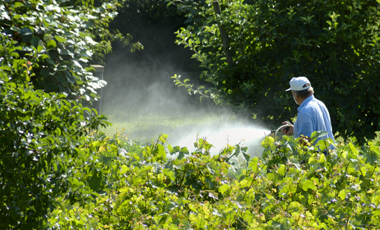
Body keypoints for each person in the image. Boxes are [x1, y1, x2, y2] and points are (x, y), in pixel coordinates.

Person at [282, 76, 335, 149]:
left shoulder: (305, 111)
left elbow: (306, 142)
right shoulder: (320, 104)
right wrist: (294, 129)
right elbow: (315, 129)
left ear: (295, 95)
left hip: (316, 158)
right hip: (329, 155)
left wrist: (283, 147)